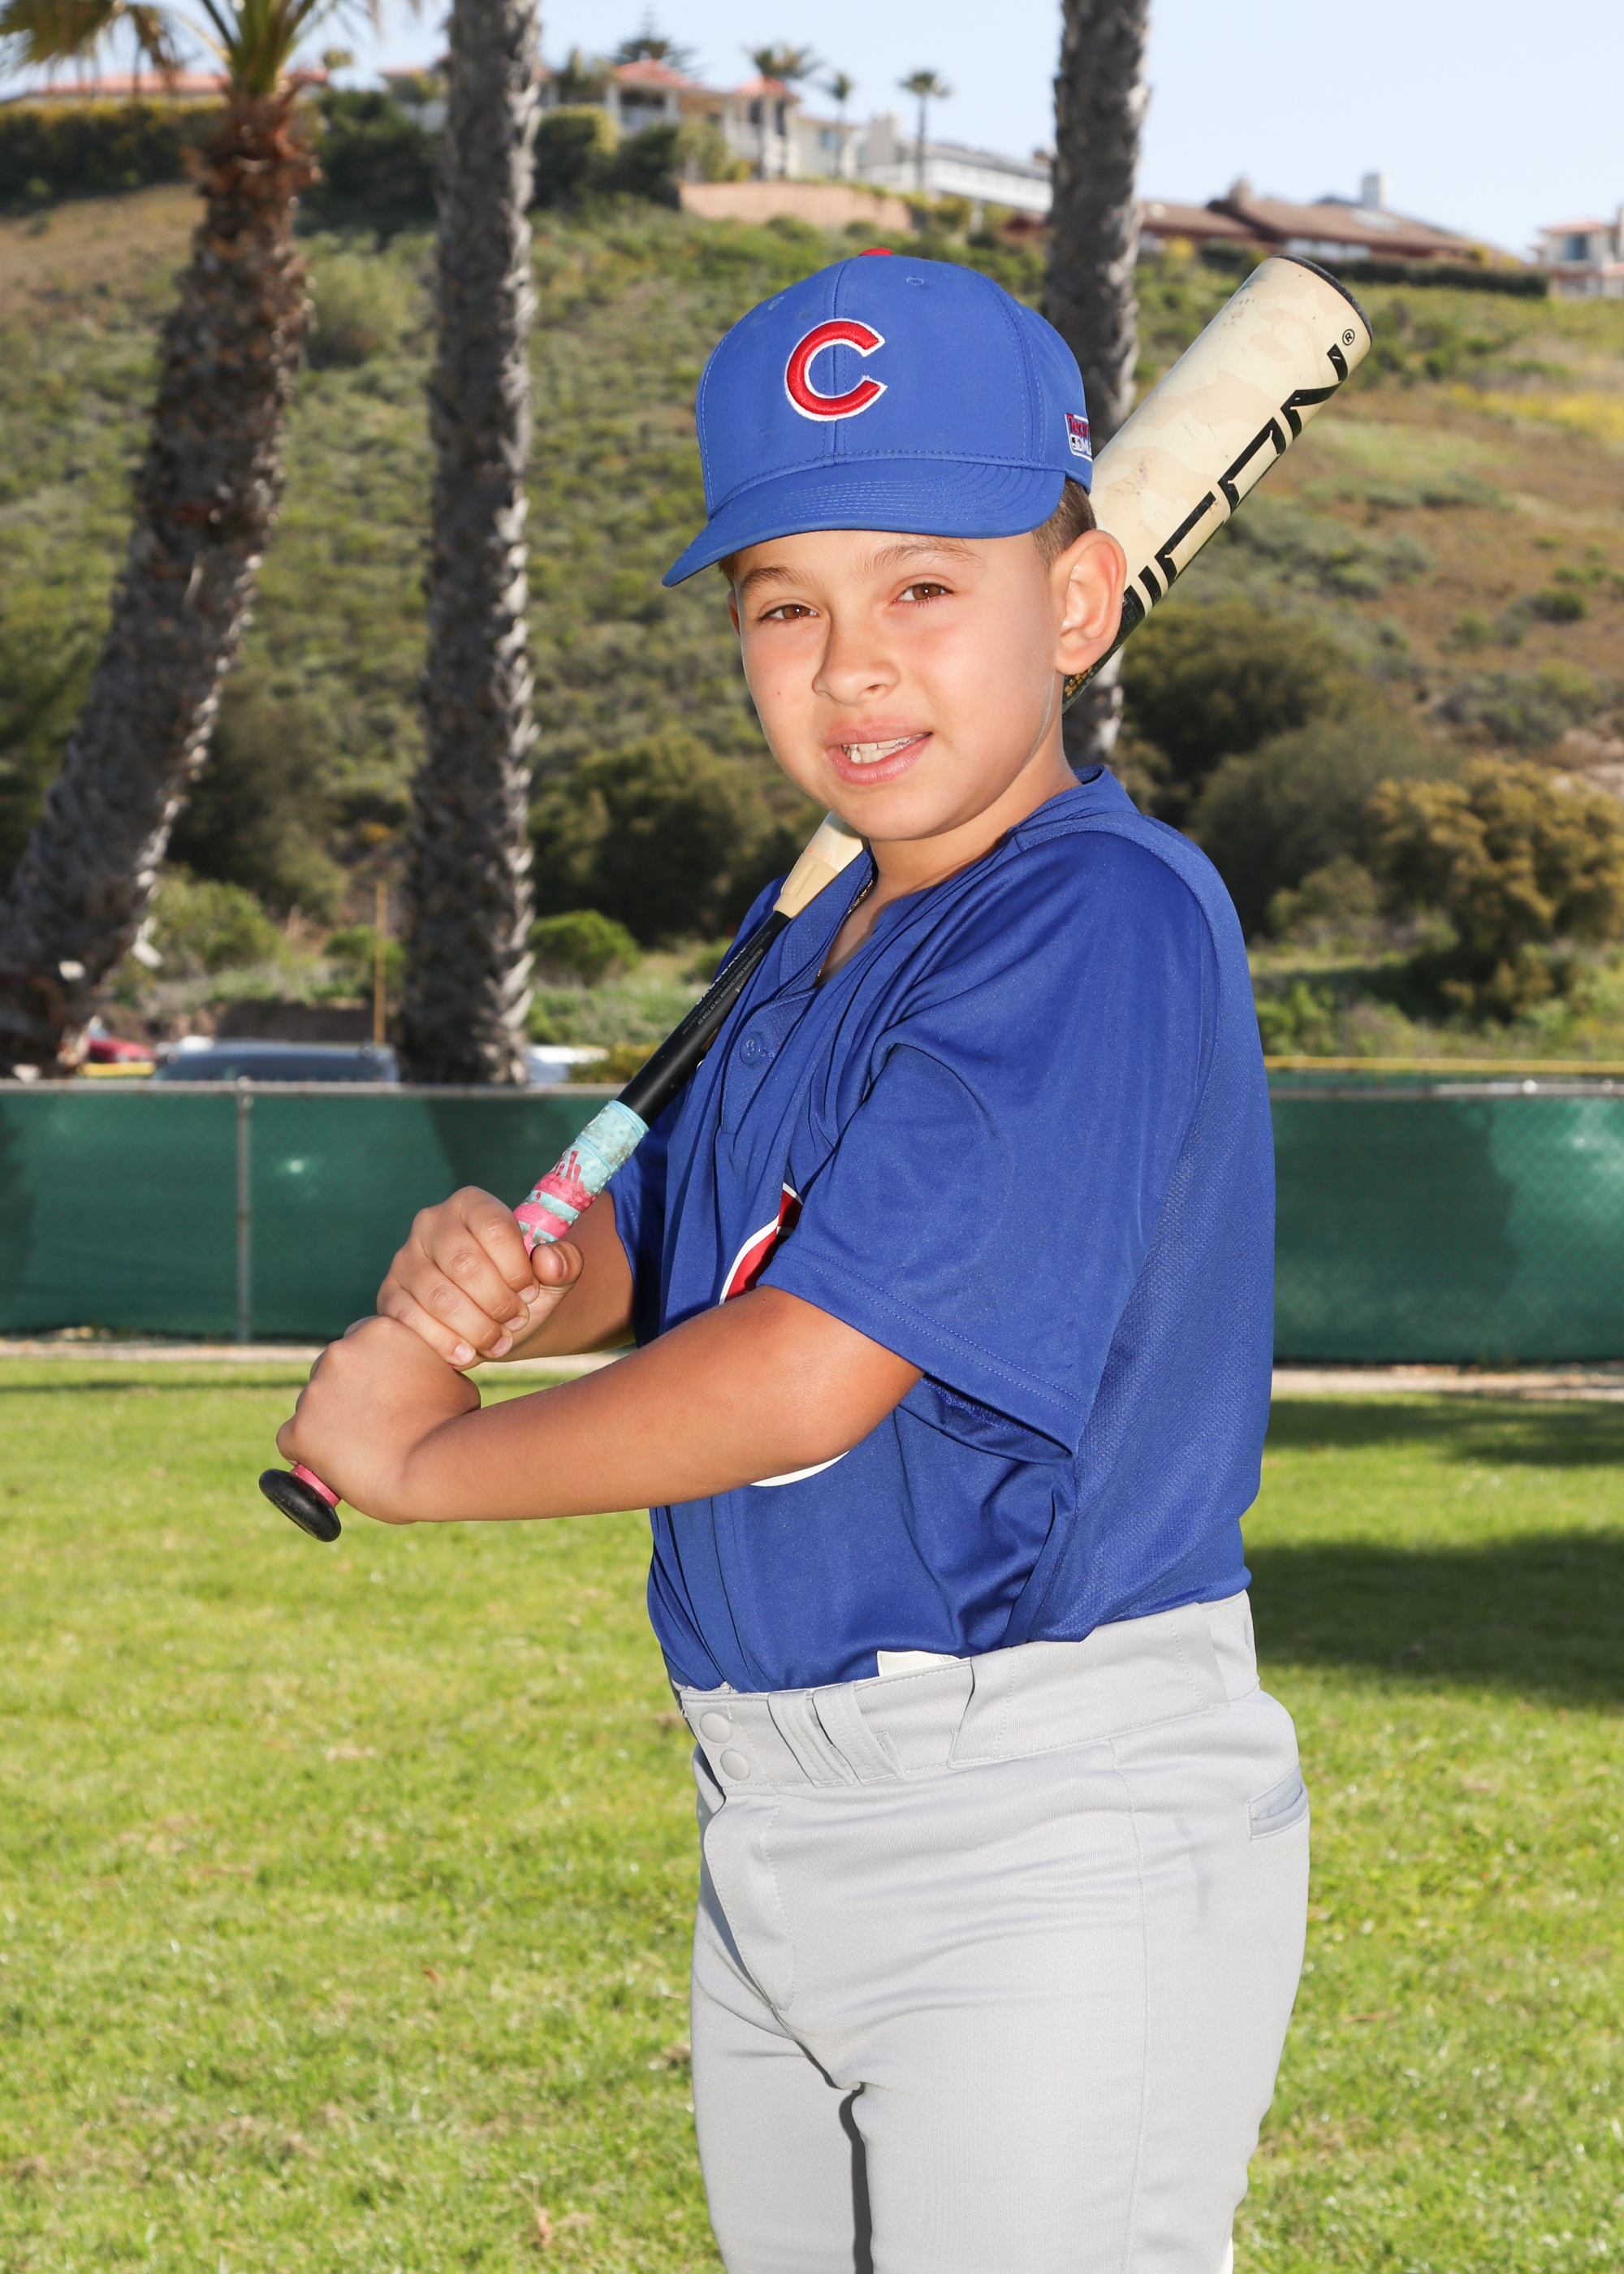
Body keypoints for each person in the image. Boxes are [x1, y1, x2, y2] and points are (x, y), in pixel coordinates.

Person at [276, 253, 1307, 2274]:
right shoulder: (813, 936)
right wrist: (539, 1278)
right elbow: (690, 1253)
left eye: (923, 587)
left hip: (1041, 1815)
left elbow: (805, 1370)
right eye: (786, 605)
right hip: (772, 1808)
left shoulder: (1097, 914)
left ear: (1075, 602)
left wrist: (427, 1461)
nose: (851, 668)